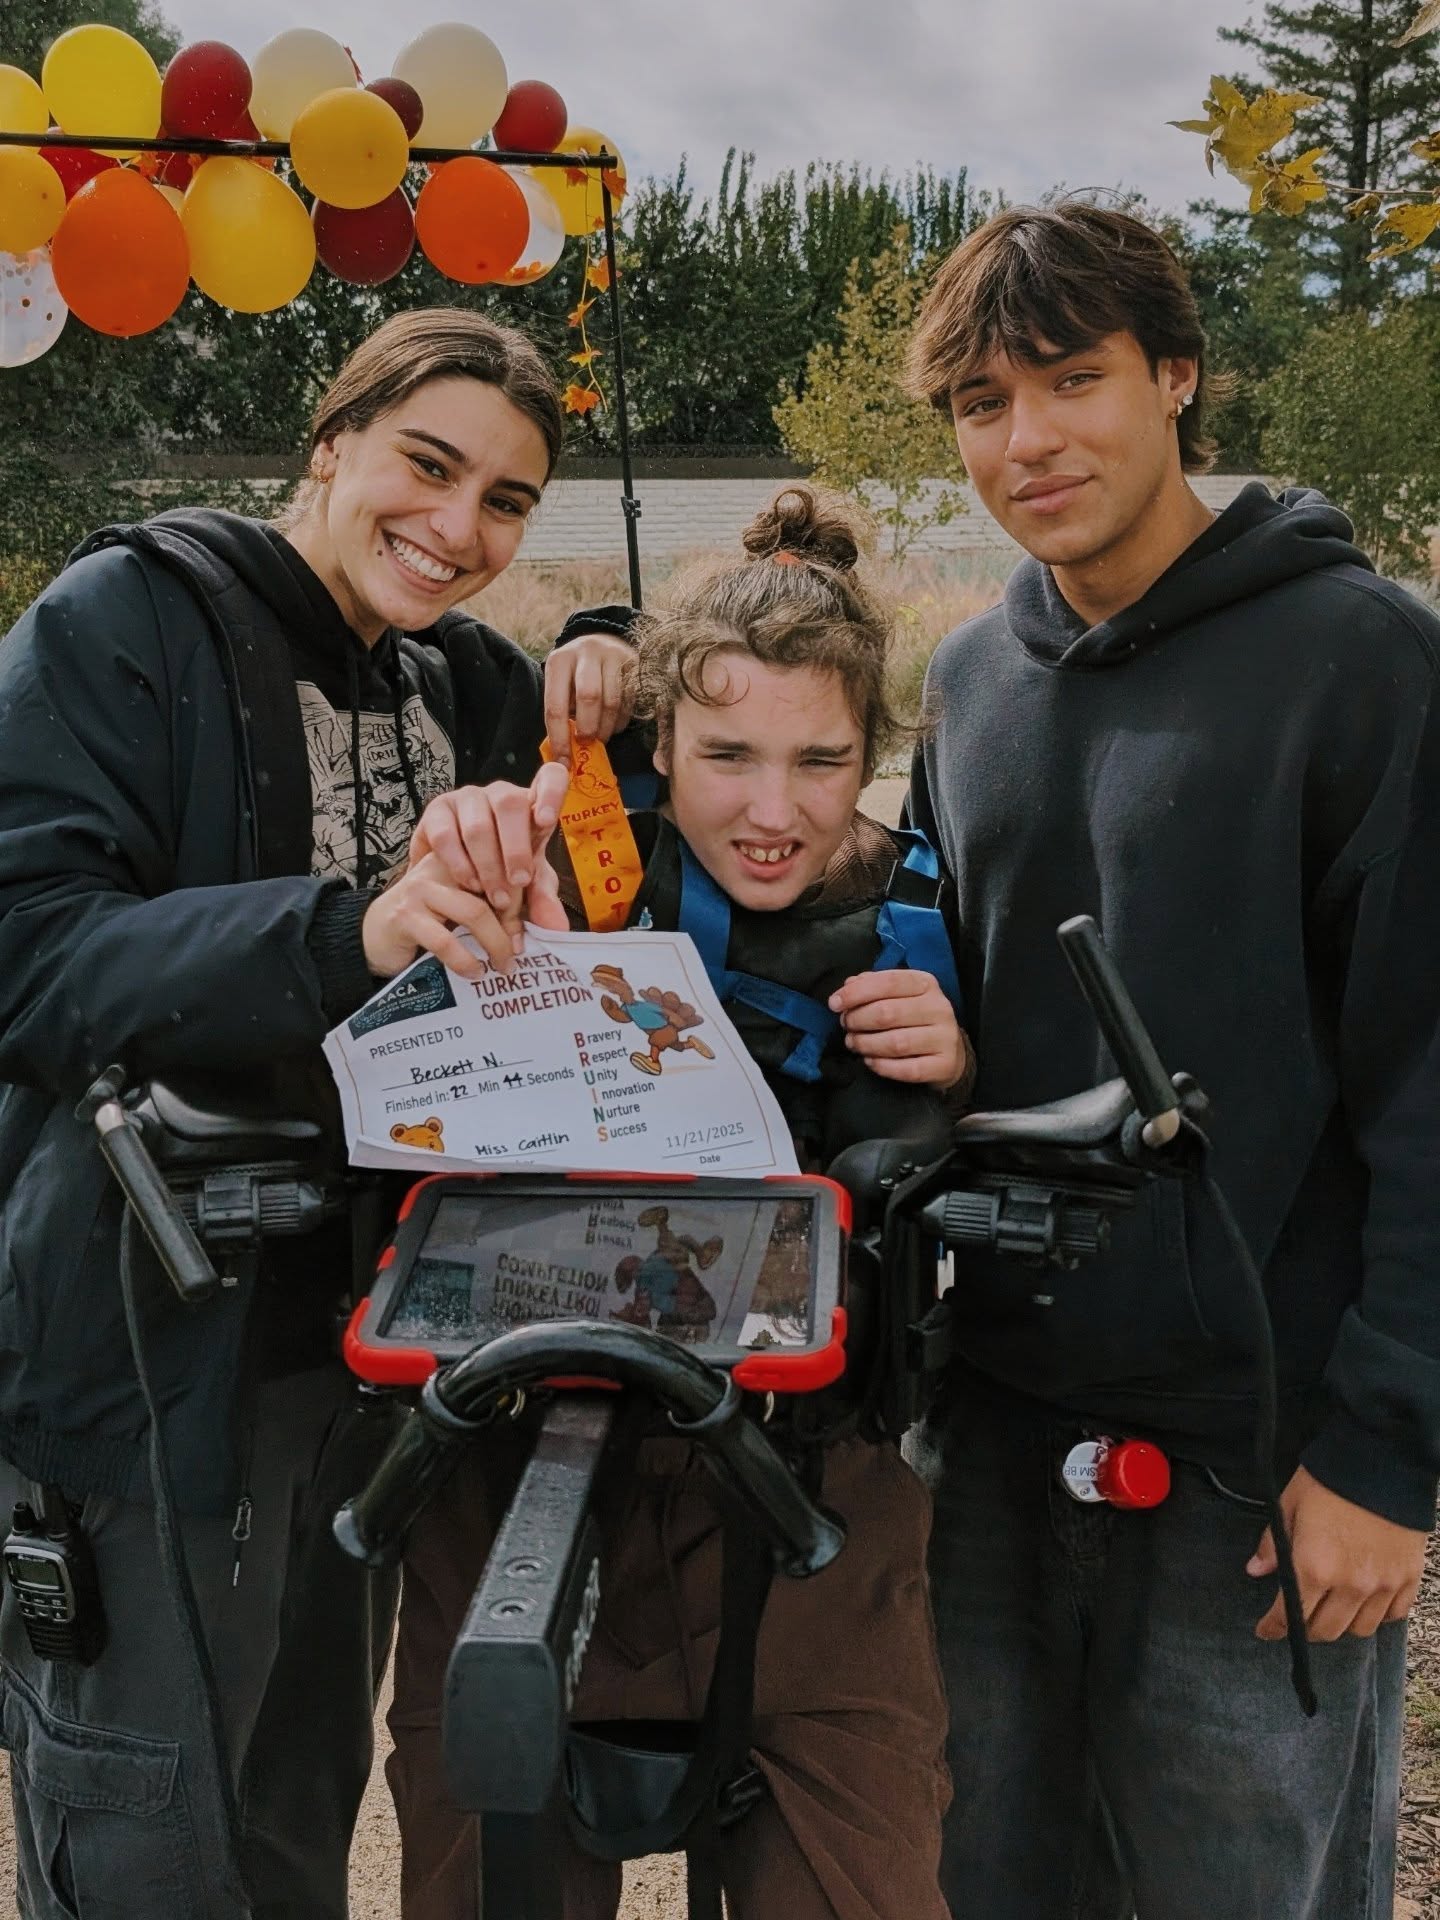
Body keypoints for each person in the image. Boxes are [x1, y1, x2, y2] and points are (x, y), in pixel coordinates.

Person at [0, 307, 635, 1920]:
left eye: (506, 502)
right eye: (427, 464)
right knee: (147, 1830)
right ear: (331, 439)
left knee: (292, 1814)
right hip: (145, 1346)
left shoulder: (470, 683)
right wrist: (345, 931)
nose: (459, 526)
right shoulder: (125, 619)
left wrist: (615, 647)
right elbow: (26, 952)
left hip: (366, 1351)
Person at [901, 200, 1440, 1920]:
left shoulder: (1363, 658)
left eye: (1074, 378)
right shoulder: (973, 679)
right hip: (993, 1442)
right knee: (992, 1886)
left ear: (1178, 379)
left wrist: (1385, 1449)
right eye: (985, 401)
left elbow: (1433, 1072)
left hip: (1263, 1465)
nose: (1030, 438)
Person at [384, 484, 969, 1919]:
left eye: (822, 761)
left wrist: (965, 1064)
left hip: (810, 1497)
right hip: (513, 1458)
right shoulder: (571, 864)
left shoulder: (924, 920)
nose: (773, 812)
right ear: (654, 745)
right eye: (724, 756)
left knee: (858, 1881)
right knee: (482, 1884)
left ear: (874, 758)